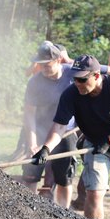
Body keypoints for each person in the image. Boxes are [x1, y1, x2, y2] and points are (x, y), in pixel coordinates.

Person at [32, 55, 110, 219]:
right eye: (75, 79)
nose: (77, 83)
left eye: (82, 79)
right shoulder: (71, 94)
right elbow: (60, 125)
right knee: (94, 191)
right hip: (95, 144)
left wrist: (109, 141)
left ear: (97, 76)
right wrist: (46, 149)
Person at [21, 41, 81, 208]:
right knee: (31, 175)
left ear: (58, 60)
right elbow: (29, 115)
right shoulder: (34, 82)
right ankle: (28, 211)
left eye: (47, 64)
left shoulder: (72, 72)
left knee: (64, 177)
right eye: (41, 65)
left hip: (65, 133)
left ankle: (65, 213)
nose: (44, 68)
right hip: (40, 132)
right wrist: (32, 143)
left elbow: (107, 70)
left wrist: (70, 60)